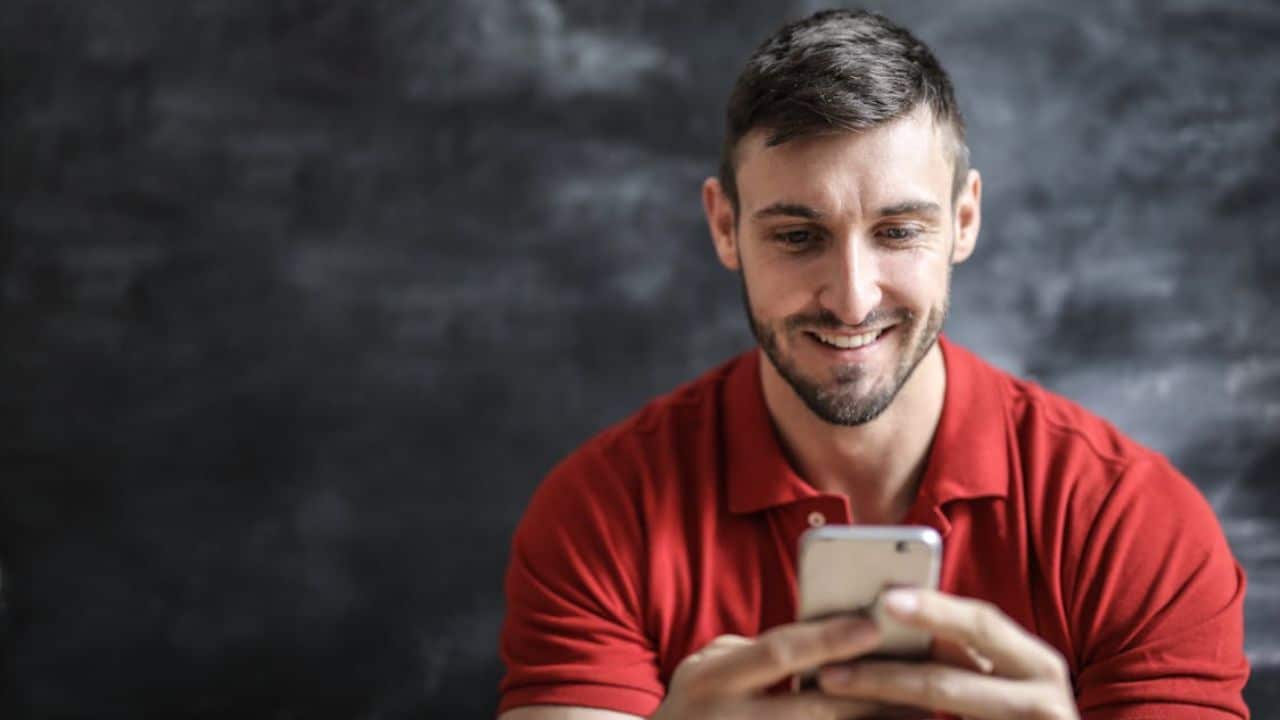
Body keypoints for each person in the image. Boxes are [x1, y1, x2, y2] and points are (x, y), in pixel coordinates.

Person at [496, 8, 1249, 719]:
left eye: (897, 231)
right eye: (797, 237)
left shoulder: (1136, 526)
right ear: (725, 227)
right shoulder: (599, 514)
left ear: (964, 221)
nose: (852, 301)